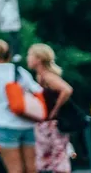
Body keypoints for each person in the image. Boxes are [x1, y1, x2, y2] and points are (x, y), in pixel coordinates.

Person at [0, 40, 40, 173]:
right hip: (27, 123)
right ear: (9, 54)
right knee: (32, 168)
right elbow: (37, 91)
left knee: (15, 169)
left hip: (4, 125)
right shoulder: (20, 71)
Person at [28, 43, 74, 173]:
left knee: (58, 157)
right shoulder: (41, 77)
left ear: (39, 59)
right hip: (46, 124)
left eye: (30, 55)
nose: (28, 59)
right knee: (48, 158)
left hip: (53, 124)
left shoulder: (48, 76)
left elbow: (67, 90)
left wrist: (55, 110)